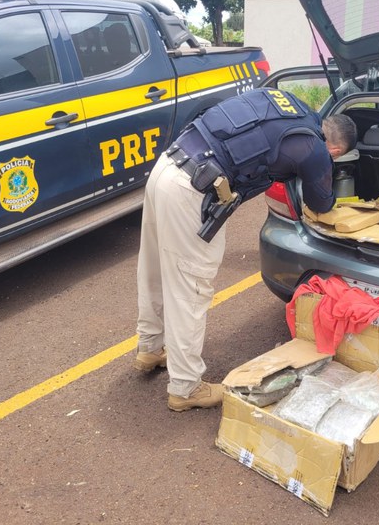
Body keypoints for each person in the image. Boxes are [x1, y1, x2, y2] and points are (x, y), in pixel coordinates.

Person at [133, 87, 357, 411]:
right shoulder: (315, 148)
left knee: (152, 269)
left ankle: (150, 348)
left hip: (168, 167)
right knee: (190, 288)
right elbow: (320, 203)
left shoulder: (287, 104)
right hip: (191, 189)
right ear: (336, 148)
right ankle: (185, 388)